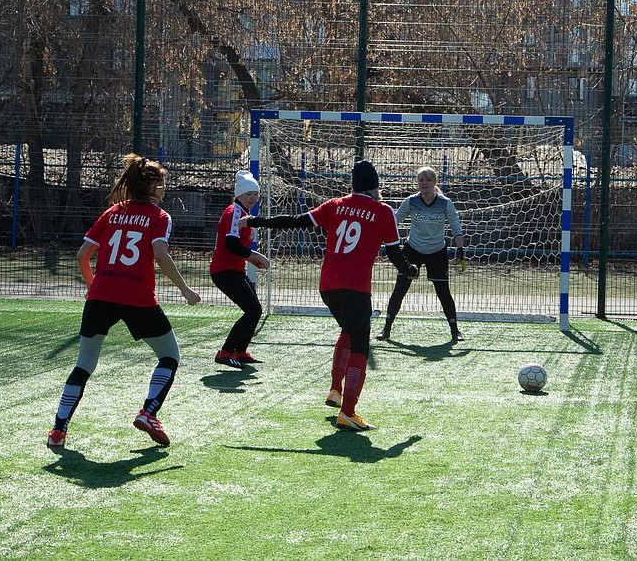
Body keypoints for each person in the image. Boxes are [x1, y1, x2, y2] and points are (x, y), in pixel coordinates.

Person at [241, 160, 418, 431]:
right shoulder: (382, 211)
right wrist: (410, 270)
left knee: (347, 331)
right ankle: (348, 412)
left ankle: (335, 390)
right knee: (360, 346)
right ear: (375, 186)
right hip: (355, 288)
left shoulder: (335, 205)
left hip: (328, 285)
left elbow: (296, 221)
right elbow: (395, 253)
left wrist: (255, 220)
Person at [47, 153, 201, 449]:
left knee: (83, 365)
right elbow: (159, 253)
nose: (164, 189)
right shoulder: (159, 217)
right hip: (137, 297)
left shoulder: (111, 212)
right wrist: (185, 290)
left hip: (100, 297)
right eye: (162, 183)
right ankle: (149, 413)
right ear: (153, 186)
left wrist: (95, 288)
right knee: (169, 355)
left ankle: (58, 431)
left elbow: (82, 255)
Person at [379, 166, 466, 342]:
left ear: (435, 183)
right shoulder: (411, 201)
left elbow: (455, 227)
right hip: (413, 251)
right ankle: (386, 329)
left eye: (428, 180)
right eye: (421, 180)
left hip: (437, 252)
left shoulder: (445, 203)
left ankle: (455, 330)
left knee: (443, 291)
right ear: (417, 183)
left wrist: (460, 249)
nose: (424, 183)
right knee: (400, 289)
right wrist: (379, 239)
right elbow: (393, 222)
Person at [210, 170, 271, 369]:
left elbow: (236, 247)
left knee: (255, 310)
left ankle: (240, 351)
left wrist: (250, 260)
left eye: (255, 194)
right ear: (238, 195)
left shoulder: (243, 213)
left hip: (233, 269)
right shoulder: (234, 212)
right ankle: (225, 352)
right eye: (248, 194)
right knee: (253, 310)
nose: (253, 198)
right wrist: (254, 256)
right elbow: (231, 245)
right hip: (224, 270)